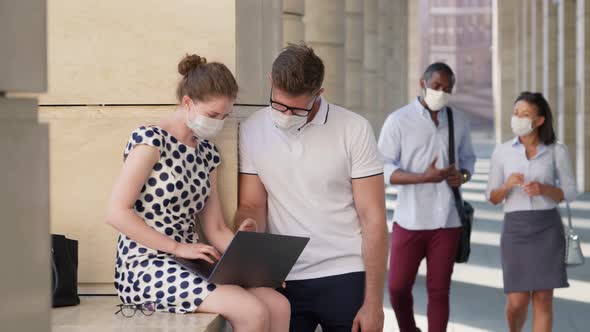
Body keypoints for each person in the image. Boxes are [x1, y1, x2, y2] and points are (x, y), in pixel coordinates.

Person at [105, 54, 290, 332]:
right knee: (250, 311)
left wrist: (258, 268)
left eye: (225, 116)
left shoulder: (207, 152)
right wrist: (177, 248)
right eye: (213, 115)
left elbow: (215, 228)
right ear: (188, 102)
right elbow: (116, 213)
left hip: (192, 260)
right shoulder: (150, 140)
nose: (218, 122)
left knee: (278, 305)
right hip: (145, 264)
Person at [235, 43, 388, 332]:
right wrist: (247, 226)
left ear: (319, 93)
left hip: (346, 273)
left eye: (296, 109)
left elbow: (374, 219)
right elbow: (252, 205)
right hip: (282, 277)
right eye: (279, 104)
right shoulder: (252, 129)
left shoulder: (354, 129)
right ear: (271, 81)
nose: (285, 114)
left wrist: (374, 304)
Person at [378, 62, 476, 332]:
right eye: (436, 86)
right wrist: (422, 177)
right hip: (409, 219)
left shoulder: (458, 120)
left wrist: (463, 176)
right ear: (422, 83)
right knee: (397, 288)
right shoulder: (398, 121)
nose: (441, 92)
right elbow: (384, 168)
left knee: (439, 290)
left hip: (447, 221)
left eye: (447, 89)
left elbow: (468, 159)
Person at [486, 92, 576, 332]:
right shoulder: (502, 152)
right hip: (515, 230)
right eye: (516, 113)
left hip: (547, 229)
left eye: (525, 114)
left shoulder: (557, 150)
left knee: (544, 299)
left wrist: (544, 188)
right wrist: (507, 186)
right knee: (517, 301)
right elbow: (492, 197)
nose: (518, 118)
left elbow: (571, 192)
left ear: (539, 120)